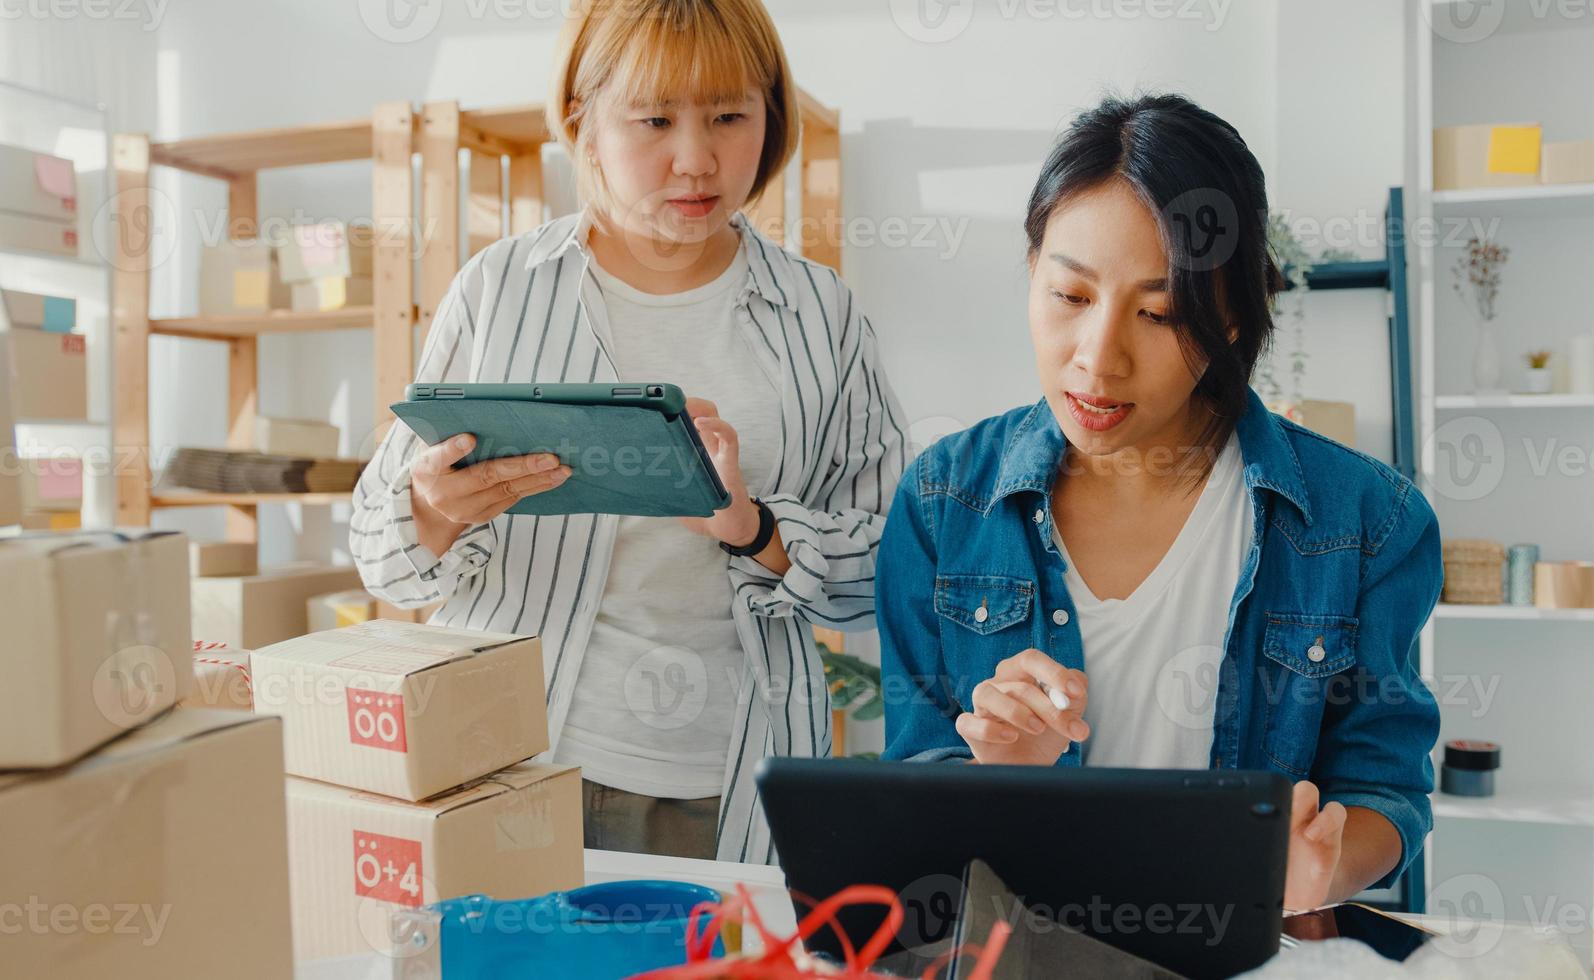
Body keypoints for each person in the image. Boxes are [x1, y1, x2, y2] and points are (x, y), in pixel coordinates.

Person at [350, 0, 906, 866]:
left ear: (773, 118)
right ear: (583, 119)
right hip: (503, 762)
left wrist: (755, 529)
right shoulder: (501, 288)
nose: (696, 159)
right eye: (653, 120)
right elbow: (381, 561)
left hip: (720, 779)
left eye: (729, 116)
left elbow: (884, 571)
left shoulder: (820, 314)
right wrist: (430, 508)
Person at [876, 93, 1440, 910]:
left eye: (1159, 313)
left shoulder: (1366, 520)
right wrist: (998, 777)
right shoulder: (942, 502)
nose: (1099, 361)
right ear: (1032, 271)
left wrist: (1321, 865)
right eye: (1070, 298)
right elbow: (916, 785)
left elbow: (1386, 792)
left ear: (1236, 318)